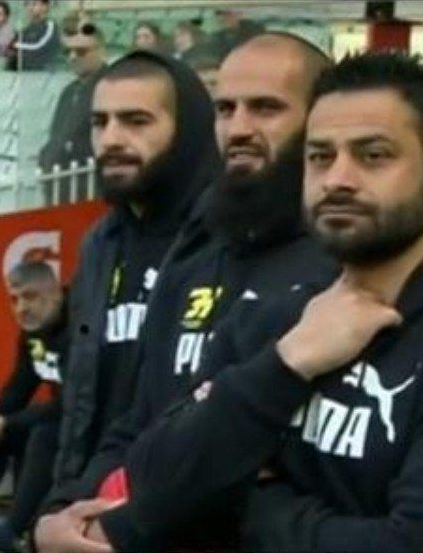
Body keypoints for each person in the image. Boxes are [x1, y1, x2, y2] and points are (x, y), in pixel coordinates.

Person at [69, 51, 423, 552]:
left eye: (373, 156)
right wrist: (285, 365)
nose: (337, 179)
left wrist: (243, 502)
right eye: (320, 157)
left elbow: (422, 544)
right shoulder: (276, 320)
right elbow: (151, 479)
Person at [35, 33, 336, 553]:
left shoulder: (341, 269)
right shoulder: (186, 256)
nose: (239, 128)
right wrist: (59, 515)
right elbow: (133, 420)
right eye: (226, 108)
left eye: (266, 108)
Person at [46, 50, 220, 522]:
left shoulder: (224, 240)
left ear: (187, 130)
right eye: (99, 122)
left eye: (136, 121)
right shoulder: (99, 244)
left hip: (177, 512)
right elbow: (81, 398)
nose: (111, 139)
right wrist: (64, 498)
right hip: (90, 503)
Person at [0, 261, 67, 552]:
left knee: (43, 433)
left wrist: (9, 421)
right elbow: (18, 390)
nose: (21, 308)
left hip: (92, 421)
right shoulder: (33, 332)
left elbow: (73, 402)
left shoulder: (82, 324)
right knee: (7, 429)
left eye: (29, 296)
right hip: (60, 418)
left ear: (55, 292)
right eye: (14, 299)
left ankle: (12, 533)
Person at [38, 21, 107, 204]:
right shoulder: (68, 91)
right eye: (67, 52)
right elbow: (57, 136)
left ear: (101, 51)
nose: (72, 57)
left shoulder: (112, 88)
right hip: (60, 190)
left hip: (93, 193)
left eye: (81, 51)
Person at [10, 0, 60, 71]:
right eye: (27, 4)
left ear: (45, 7)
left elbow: (39, 47)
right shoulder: (26, 29)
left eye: (34, 4)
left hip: (43, 72)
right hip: (24, 72)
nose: (30, 8)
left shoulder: (50, 26)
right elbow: (11, 47)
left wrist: (16, 47)